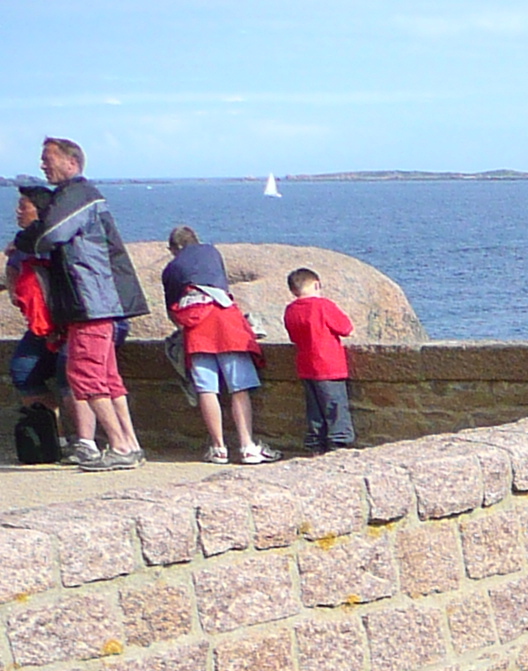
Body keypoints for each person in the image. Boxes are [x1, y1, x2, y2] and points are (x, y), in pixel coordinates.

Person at [29, 137, 143, 468]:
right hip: (98, 304)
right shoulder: (80, 196)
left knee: (84, 375)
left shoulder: (78, 194)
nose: (42, 164)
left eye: (47, 158)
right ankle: (130, 444)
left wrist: (27, 236)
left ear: (72, 163)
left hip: (90, 303)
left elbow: (51, 234)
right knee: (106, 377)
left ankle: (121, 447)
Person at [161, 226, 276, 465]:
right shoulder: (211, 252)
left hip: (197, 330)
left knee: (206, 389)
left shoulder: (171, 268)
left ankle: (218, 448)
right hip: (226, 324)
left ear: (174, 248)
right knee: (239, 387)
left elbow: (172, 309)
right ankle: (247, 446)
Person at [8, 186, 67, 465]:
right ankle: (49, 436)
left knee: (69, 377)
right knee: (22, 370)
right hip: (38, 325)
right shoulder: (20, 245)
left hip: (66, 324)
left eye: (24, 206)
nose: (18, 211)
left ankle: (74, 440)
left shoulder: (55, 241)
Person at [283, 266, 356, 453]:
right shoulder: (323, 305)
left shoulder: (290, 310)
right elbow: (346, 328)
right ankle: (339, 442)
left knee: (314, 408)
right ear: (317, 284)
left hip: (305, 365)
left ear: (293, 290)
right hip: (329, 365)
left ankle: (316, 443)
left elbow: (293, 337)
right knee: (335, 406)